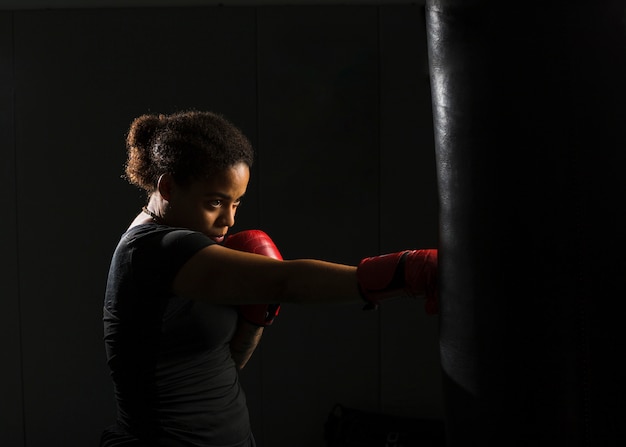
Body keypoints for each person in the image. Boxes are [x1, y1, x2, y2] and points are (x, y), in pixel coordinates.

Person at [101, 110, 438, 447]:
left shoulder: (178, 245)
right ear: (169, 187)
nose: (228, 220)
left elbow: (226, 366)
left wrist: (255, 317)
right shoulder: (155, 249)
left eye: (236, 203)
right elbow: (286, 282)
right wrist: (406, 272)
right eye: (215, 202)